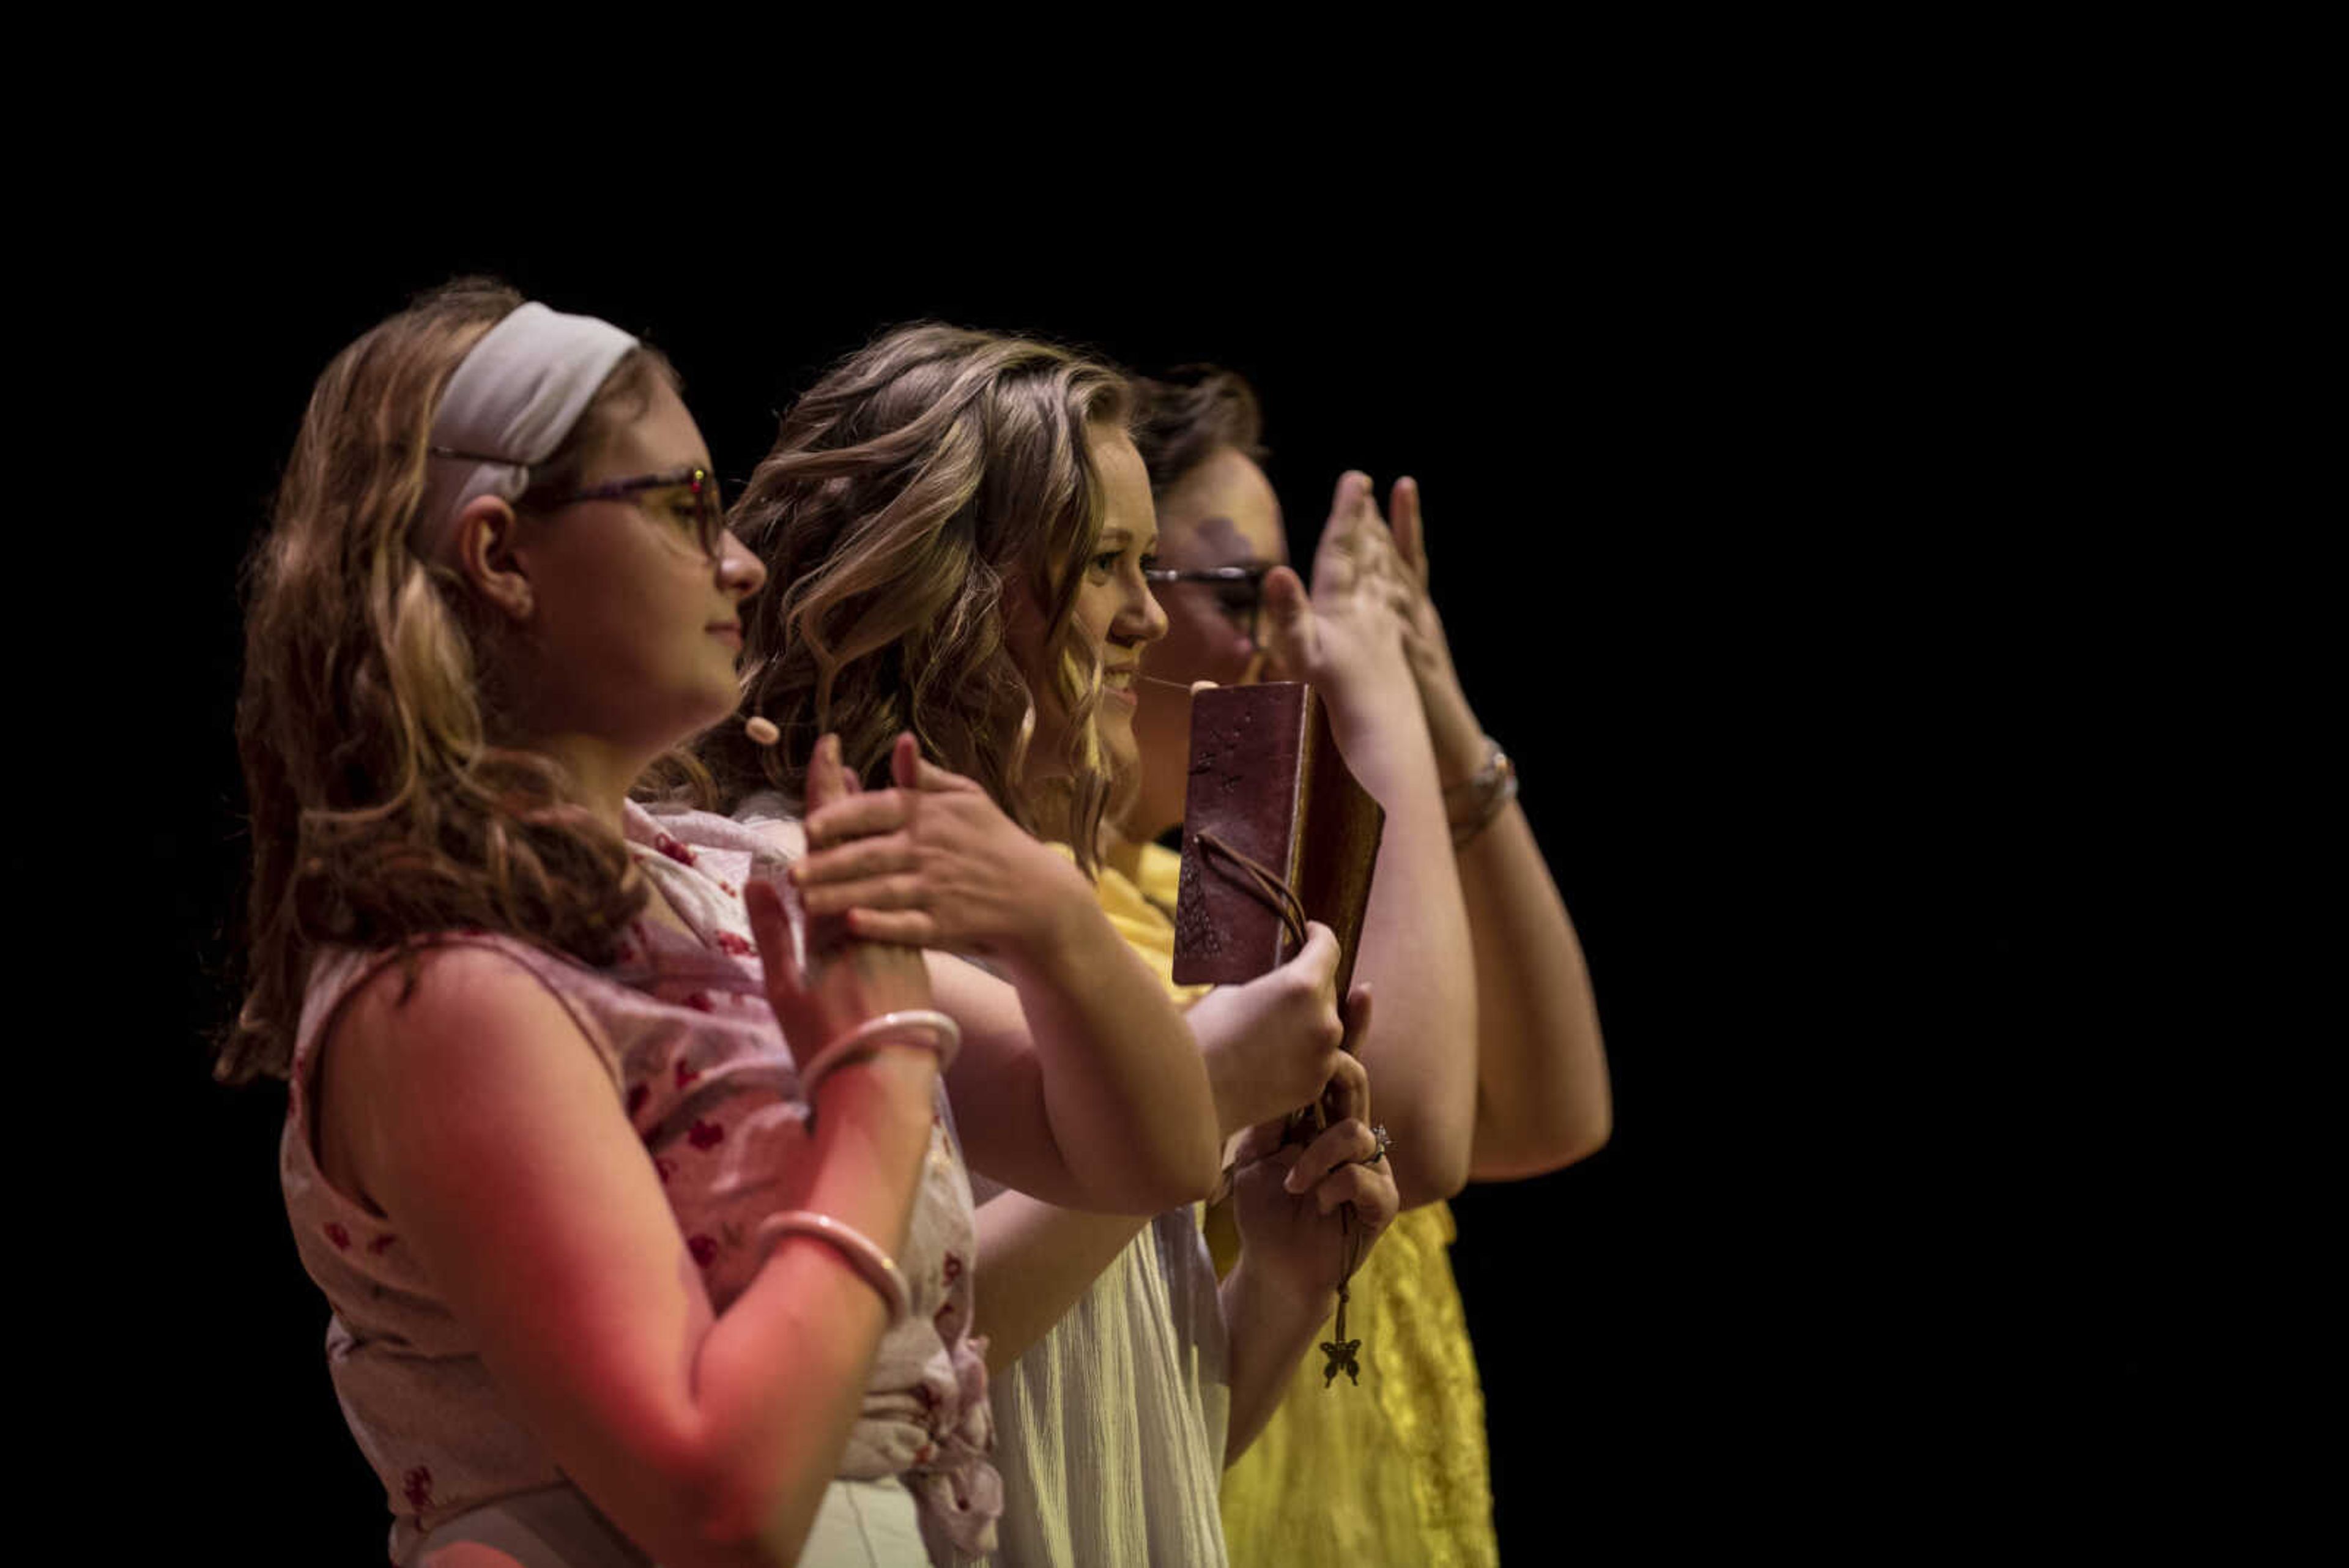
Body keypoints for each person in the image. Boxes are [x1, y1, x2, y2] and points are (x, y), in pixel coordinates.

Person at [228, 283, 1220, 1567]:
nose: (740, 559)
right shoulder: (450, 992)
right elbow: (719, 1506)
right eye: (684, 508)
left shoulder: (723, 884)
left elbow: (1154, 1154)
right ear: (500, 557)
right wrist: (873, 1088)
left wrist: (1049, 920)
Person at [707, 324, 1400, 1567]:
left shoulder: (1063, 938)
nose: (1143, 618)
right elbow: (893, 1391)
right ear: (946, 582)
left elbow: (1129, 1445)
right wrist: (1204, 1095)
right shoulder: (786, 898)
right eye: (1101, 565)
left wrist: (1283, 1283)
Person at [1123, 366, 1615, 1566]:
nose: (1294, 625)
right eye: (1244, 589)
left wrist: (1437, 705)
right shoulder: (1082, 927)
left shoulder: (1207, 885)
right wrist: (1373, 701)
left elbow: (1550, 1115)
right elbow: (1422, 1138)